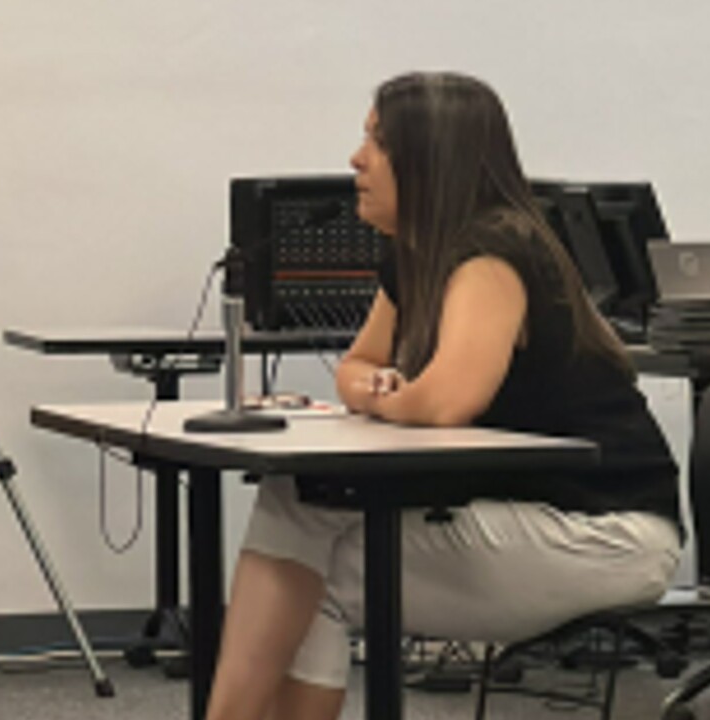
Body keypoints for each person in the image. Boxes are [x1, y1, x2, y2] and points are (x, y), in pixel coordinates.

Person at [204, 72, 682, 720]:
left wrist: (379, 398)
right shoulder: (418, 254)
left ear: (430, 160)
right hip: (533, 510)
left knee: (310, 579)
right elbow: (359, 364)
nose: (356, 159)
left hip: (606, 535)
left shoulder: (493, 253)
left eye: (376, 141)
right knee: (292, 502)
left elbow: (444, 404)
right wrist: (374, 385)